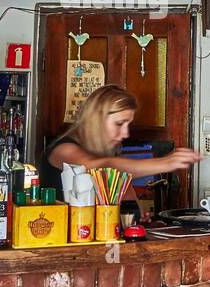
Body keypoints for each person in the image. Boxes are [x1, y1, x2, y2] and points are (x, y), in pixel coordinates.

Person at [43, 86, 200, 203]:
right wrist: (165, 163)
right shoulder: (63, 149)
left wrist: (135, 218)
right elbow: (103, 167)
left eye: (128, 125)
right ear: (95, 120)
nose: (126, 134)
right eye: (119, 124)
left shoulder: (107, 153)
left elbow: (127, 200)